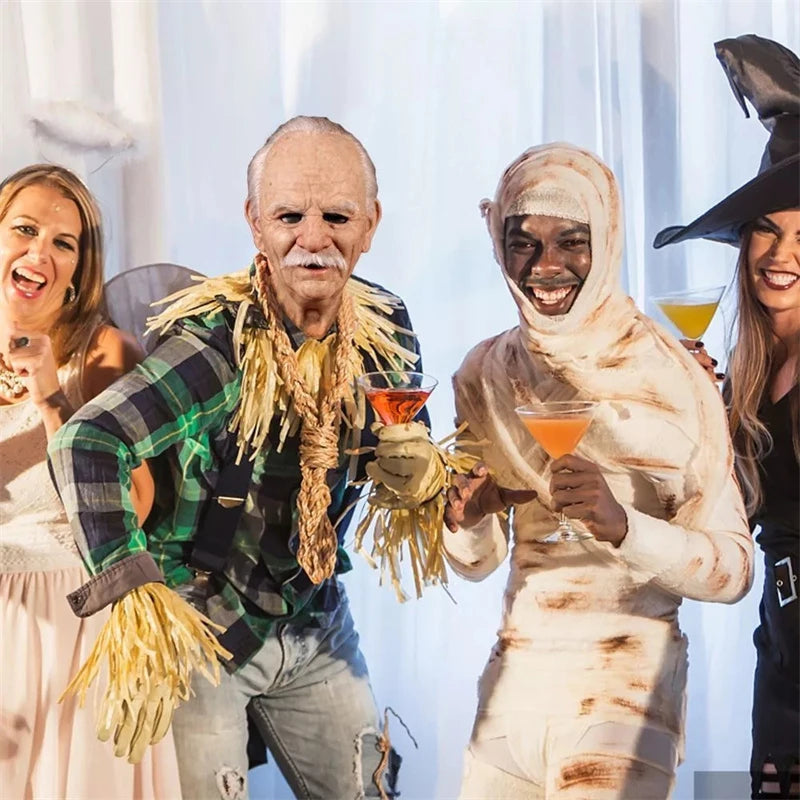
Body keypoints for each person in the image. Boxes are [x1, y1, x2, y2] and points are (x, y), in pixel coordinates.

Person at [48, 116, 437, 799]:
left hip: (316, 617)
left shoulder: (387, 325)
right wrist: (136, 591)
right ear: (255, 222)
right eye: (290, 215)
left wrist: (422, 478)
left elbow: (405, 448)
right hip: (202, 628)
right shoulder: (216, 345)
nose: (313, 240)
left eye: (337, 216)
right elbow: (86, 442)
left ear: (371, 224)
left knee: (371, 792)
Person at [442, 143, 754, 799]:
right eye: (522, 242)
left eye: (571, 242)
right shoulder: (484, 372)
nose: (546, 267)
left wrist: (624, 528)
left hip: (625, 689)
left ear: (607, 240)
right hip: (511, 696)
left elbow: (734, 571)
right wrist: (467, 524)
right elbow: (476, 563)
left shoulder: (674, 374)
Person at [0, 164, 181, 797]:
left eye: (63, 243)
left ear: (80, 266)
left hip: (75, 623)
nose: (39, 252)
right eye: (24, 230)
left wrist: (50, 392)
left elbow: (135, 504)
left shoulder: (104, 353)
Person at [655, 34, 800, 800]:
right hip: (780, 667)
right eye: (769, 229)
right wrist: (704, 418)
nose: (781, 254)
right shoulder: (750, 371)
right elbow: (739, 517)